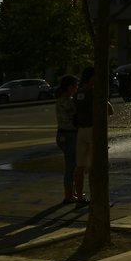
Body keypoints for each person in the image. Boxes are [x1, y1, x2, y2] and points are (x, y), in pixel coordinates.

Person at [72, 66, 113, 204]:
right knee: (96, 166)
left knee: (80, 166)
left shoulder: (78, 93)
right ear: (92, 77)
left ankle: (79, 197)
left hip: (81, 131)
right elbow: (110, 111)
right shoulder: (95, 91)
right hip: (94, 131)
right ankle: (97, 197)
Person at [54, 74, 81, 205]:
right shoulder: (68, 100)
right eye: (76, 86)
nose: (77, 88)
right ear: (70, 87)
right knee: (71, 166)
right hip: (69, 134)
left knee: (72, 165)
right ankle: (69, 195)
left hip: (63, 134)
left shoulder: (60, 99)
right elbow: (78, 114)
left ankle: (72, 192)